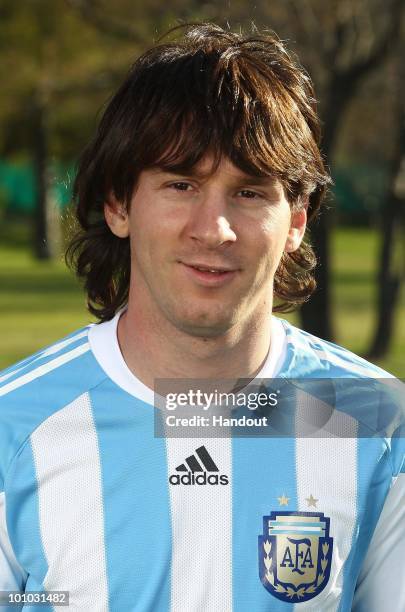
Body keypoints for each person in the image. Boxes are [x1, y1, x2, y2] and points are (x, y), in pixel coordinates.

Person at [0, 23, 403, 612]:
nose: (213, 230)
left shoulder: (378, 422)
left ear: (296, 219)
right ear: (118, 204)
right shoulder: (13, 426)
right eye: (181, 183)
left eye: (249, 192)